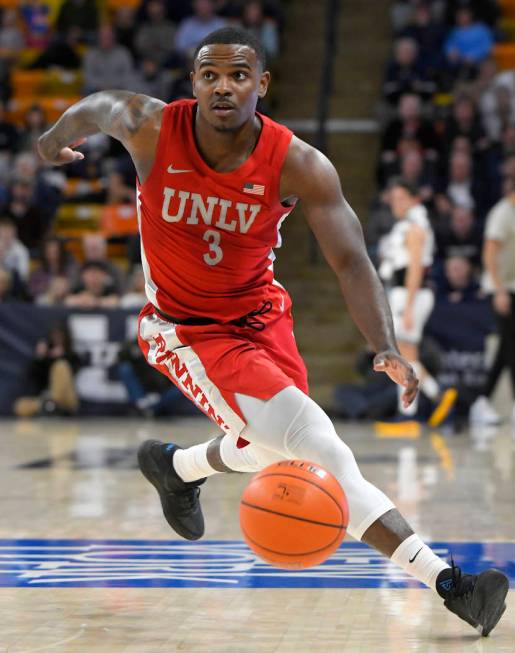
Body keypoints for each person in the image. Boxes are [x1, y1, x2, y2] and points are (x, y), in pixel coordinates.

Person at [37, 27, 508, 636]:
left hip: (262, 318)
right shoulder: (152, 126)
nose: (223, 87)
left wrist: (384, 344)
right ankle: (452, 585)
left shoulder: (299, 163)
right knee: (320, 445)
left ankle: (177, 468)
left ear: (261, 84)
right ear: (194, 84)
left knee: (277, 444)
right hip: (187, 331)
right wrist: (54, 140)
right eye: (210, 75)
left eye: (238, 76)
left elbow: (350, 260)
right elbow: (98, 106)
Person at [378, 177, 457, 425]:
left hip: (411, 294)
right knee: (405, 353)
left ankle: (408, 414)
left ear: (414, 200)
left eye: (402, 198)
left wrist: (409, 306)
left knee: (403, 354)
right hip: (405, 293)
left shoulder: (415, 227)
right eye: (394, 198)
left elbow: (414, 269)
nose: (396, 203)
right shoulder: (408, 225)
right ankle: (438, 395)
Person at [470, 181, 515, 425]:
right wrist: (499, 290)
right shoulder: (501, 213)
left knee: (504, 351)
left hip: (512, 287)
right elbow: (489, 254)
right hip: (499, 288)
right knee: (511, 347)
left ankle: (482, 402)